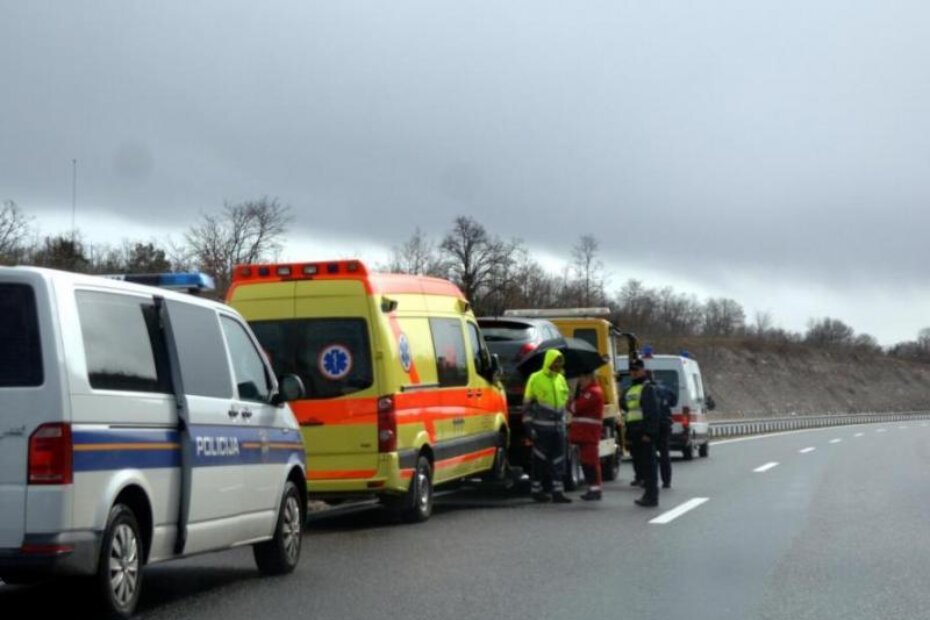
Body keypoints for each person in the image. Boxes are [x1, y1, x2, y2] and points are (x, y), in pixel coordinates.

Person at [522, 349, 572, 504]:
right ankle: (536, 490)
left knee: (559, 460)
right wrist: (529, 427)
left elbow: (566, 401)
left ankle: (558, 491)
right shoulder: (535, 378)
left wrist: (566, 421)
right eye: (556, 361)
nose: (558, 365)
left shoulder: (561, 379)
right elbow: (527, 405)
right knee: (539, 460)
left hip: (559, 427)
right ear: (549, 362)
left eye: (560, 362)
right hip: (541, 428)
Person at [622, 359, 661, 507]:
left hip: (644, 434)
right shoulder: (631, 389)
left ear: (643, 371)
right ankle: (647, 494)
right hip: (634, 433)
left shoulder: (647, 388)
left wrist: (649, 433)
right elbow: (628, 411)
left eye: (636, 370)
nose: (633, 373)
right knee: (642, 467)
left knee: (649, 467)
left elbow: (652, 412)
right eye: (631, 370)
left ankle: (652, 496)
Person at [569, 372, 604, 501]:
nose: (580, 381)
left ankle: (595, 489)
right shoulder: (587, 392)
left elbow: (576, 407)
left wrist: (570, 402)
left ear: (589, 378)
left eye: (582, 378)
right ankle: (592, 488)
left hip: (589, 433)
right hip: (585, 433)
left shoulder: (592, 392)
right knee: (586, 462)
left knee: (590, 462)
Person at [650, 371, 678, 489]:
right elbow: (674, 401)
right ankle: (666, 481)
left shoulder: (644, 390)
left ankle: (650, 481)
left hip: (651, 425)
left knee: (650, 455)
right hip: (665, 424)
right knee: (664, 454)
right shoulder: (665, 390)